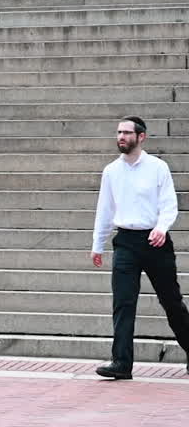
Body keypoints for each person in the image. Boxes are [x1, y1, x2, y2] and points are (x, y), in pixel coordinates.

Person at [90, 117, 189, 380]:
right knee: (123, 303)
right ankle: (121, 363)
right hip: (125, 242)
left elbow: (169, 205)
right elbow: (105, 210)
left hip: (155, 242)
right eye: (119, 132)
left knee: (172, 303)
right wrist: (97, 245)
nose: (121, 137)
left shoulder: (158, 167)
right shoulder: (111, 171)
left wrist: (161, 227)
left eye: (127, 132)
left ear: (141, 137)